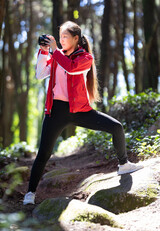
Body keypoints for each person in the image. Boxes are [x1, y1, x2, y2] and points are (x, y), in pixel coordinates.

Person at [23, 21, 143, 205]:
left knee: (116, 127)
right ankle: (30, 194)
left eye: (65, 37)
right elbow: (40, 74)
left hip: (80, 110)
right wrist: (44, 51)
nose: (61, 40)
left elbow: (71, 68)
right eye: (60, 36)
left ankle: (123, 164)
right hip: (56, 111)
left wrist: (54, 51)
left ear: (76, 38)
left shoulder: (85, 57)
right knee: (44, 153)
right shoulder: (56, 55)